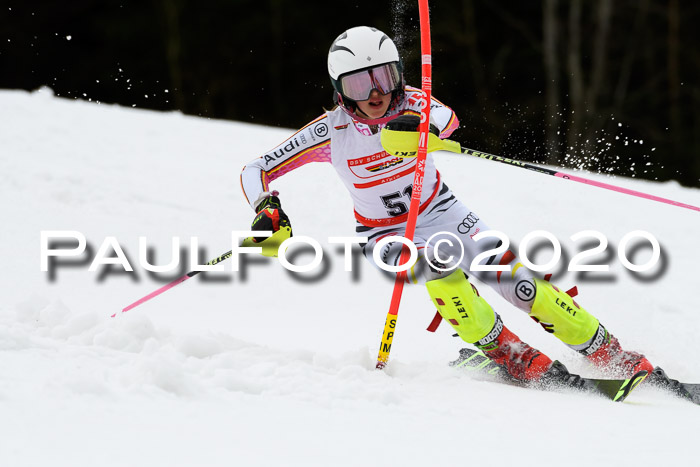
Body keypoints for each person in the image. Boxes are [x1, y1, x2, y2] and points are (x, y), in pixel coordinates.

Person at [239, 26, 654, 385]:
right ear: (339, 89)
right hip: (383, 234)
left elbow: (446, 118)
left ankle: (606, 351)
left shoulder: (413, 103)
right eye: (359, 85)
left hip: (444, 212)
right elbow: (256, 168)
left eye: (383, 77)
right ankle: (505, 352)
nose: (377, 93)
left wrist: (420, 128)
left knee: (520, 281)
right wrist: (267, 206)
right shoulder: (332, 131)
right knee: (439, 268)